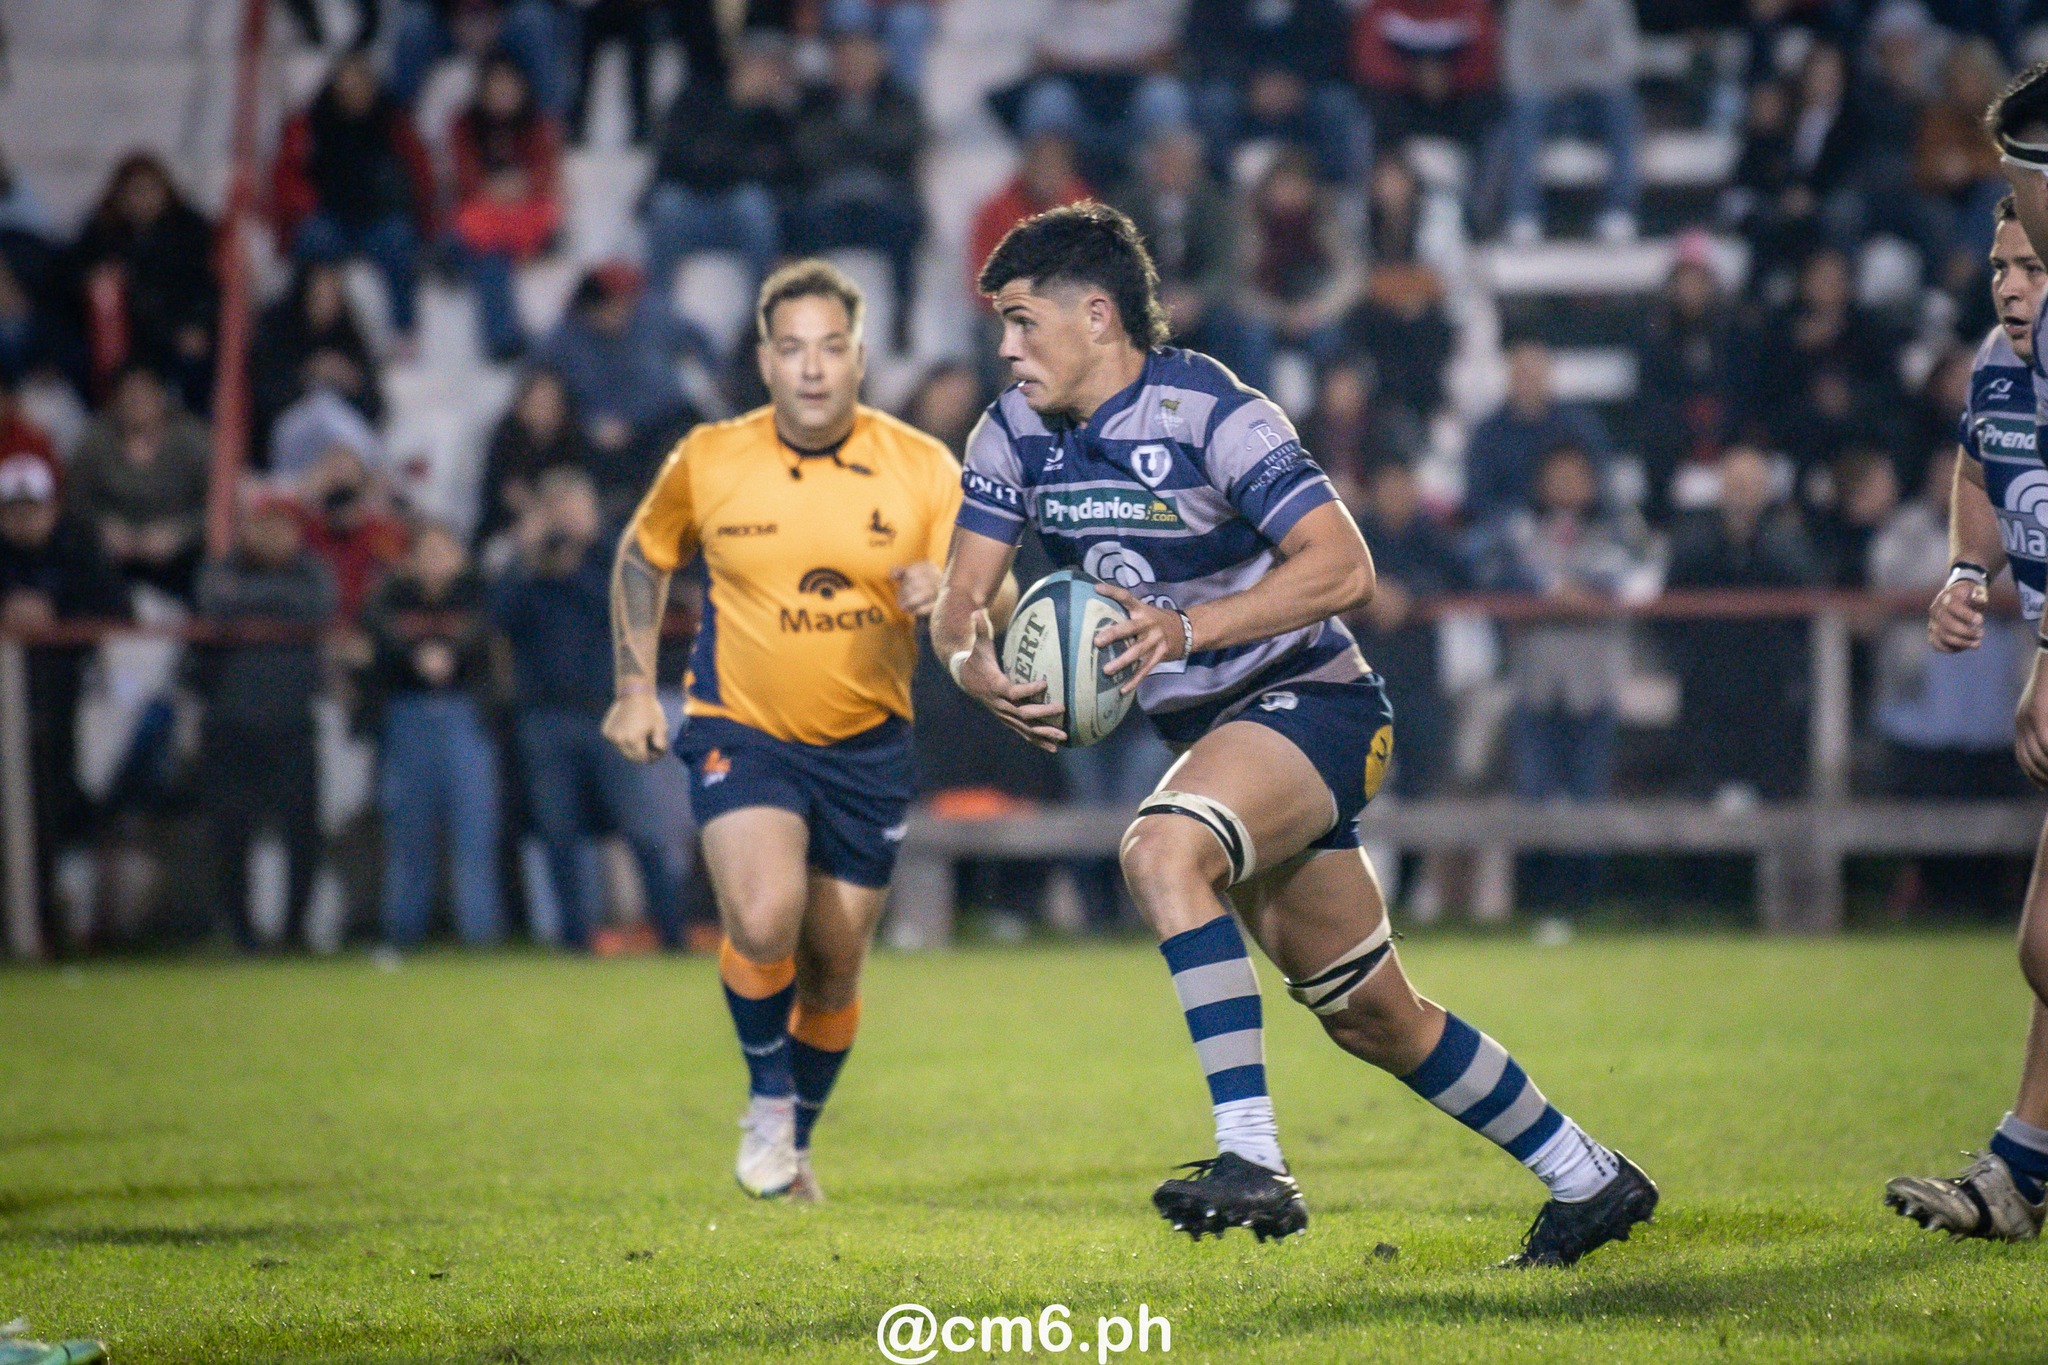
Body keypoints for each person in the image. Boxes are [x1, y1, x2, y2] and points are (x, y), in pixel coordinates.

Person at [932, 203, 1655, 1262]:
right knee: (1370, 1013)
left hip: (1311, 703)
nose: (1003, 347)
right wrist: (972, 666)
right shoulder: (1008, 431)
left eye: (1020, 322)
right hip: (1217, 734)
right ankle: (1589, 1180)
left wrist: (1187, 626)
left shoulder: (1212, 410)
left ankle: (1252, 1155)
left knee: (1159, 845)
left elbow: (1342, 567)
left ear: (1097, 315)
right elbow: (960, 600)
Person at [605, 260, 975, 1201]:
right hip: (746, 728)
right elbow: (644, 558)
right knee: (765, 917)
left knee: (834, 968)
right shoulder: (711, 458)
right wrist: (636, 687)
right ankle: (768, 1102)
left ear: (860, 356)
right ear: (765, 361)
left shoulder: (923, 465)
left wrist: (954, 593)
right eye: (792, 348)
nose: (812, 367)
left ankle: (793, 1140)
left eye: (832, 347)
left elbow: (995, 588)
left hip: (870, 744)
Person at [1885, 133, 2048, 1236]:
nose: (2009, 285)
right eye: (1998, 267)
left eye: (2030, 264)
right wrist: (1962, 569)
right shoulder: (1996, 367)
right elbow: (1978, 467)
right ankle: (2018, 1172)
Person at [494, 465, 688, 951]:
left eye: (574, 507)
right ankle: (575, 940)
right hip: (545, 715)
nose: (566, 519)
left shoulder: (613, 557)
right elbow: (500, 618)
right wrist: (527, 556)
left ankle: (673, 934)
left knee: (643, 829)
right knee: (560, 834)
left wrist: (576, 561)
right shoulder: (526, 568)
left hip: (612, 711)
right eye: (556, 509)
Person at [191, 499, 337, 952]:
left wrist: (249, 606)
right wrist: (276, 608)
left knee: (303, 832)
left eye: (282, 527)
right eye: (263, 526)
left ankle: (295, 931)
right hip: (230, 725)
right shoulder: (220, 569)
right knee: (231, 834)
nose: (273, 537)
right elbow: (215, 605)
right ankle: (241, 932)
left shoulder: (312, 571)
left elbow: (319, 606)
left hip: (293, 722)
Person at [0, 455, 129, 951]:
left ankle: (59, 927)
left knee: (63, 811)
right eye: (12, 510)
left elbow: (118, 608)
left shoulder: (77, 547)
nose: (22, 519)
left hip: (69, 707)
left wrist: (57, 618)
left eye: (31, 508)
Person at [361, 522, 504, 947]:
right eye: (426, 553)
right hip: (406, 715)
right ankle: (402, 935)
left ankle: (480, 937)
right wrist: (414, 654)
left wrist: (451, 653)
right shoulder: (391, 597)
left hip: (467, 717)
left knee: (473, 835)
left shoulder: (479, 596)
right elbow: (373, 622)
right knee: (408, 834)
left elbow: (488, 632)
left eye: (444, 552)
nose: (435, 562)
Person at [270, 54, 434, 348]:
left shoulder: (393, 122)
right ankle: (311, 333)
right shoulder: (310, 125)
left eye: (360, 87)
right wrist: (308, 205)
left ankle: (405, 331)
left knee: (399, 241)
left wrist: (420, 216)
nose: (353, 95)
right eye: (346, 88)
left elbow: (419, 173)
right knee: (313, 240)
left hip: (380, 217)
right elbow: (287, 176)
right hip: (331, 217)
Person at [790, 23, 925, 352]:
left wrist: (848, 140)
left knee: (907, 225)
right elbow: (808, 151)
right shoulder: (815, 101)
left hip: (883, 205)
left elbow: (904, 142)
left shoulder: (900, 100)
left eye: (863, 58)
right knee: (799, 227)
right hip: (829, 206)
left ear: (881, 61)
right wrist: (865, 141)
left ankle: (901, 320)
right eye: (847, 58)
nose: (854, 66)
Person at [642, 33, 797, 297]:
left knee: (753, 206)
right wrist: (732, 154)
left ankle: (764, 309)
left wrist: (720, 156)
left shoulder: (774, 118)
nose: (767, 74)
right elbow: (676, 159)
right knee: (667, 205)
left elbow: (775, 171)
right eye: (761, 65)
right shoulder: (696, 98)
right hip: (691, 202)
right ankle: (658, 306)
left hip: (736, 211)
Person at [72, 155, 218, 409]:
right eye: (133, 192)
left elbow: (208, 286)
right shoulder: (102, 233)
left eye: (149, 190)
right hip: (122, 336)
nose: (142, 199)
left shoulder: (191, 232)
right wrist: (94, 282)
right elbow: (70, 279)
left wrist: (197, 324)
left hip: (175, 330)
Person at [447, 55, 565, 361]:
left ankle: (504, 338)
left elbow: (545, 174)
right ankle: (503, 339)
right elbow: (463, 174)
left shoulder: (538, 124)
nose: (502, 94)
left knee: (490, 255)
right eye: (495, 86)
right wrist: (492, 189)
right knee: (490, 258)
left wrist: (519, 187)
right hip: (482, 217)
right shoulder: (466, 124)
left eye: (509, 86)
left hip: (525, 215)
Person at [1497, 0, 1641, 245]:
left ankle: (1619, 212)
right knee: (1524, 109)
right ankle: (1523, 215)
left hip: (1594, 106)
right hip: (1545, 107)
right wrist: (1588, 61)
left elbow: (1626, 65)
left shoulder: (1610, 5)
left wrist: (1554, 66)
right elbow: (1515, 73)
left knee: (1622, 106)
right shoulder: (1524, 7)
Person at [66, 367, 210, 600]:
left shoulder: (193, 440)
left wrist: (180, 533)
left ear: (161, 396)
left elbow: (218, 505)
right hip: (112, 560)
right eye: (128, 394)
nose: (136, 400)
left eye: (144, 393)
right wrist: (103, 528)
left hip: (183, 560)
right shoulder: (94, 441)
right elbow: (75, 502)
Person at [1463, 340, 1611, 523]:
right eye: (1522, 373)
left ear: (1547, 374)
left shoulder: (1578, 425)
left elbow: (1600, 480)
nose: (1528, 381)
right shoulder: (1488, 433)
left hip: (1578, 522)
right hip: (1508, 526)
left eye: (1534, 373)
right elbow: (1479, 496)